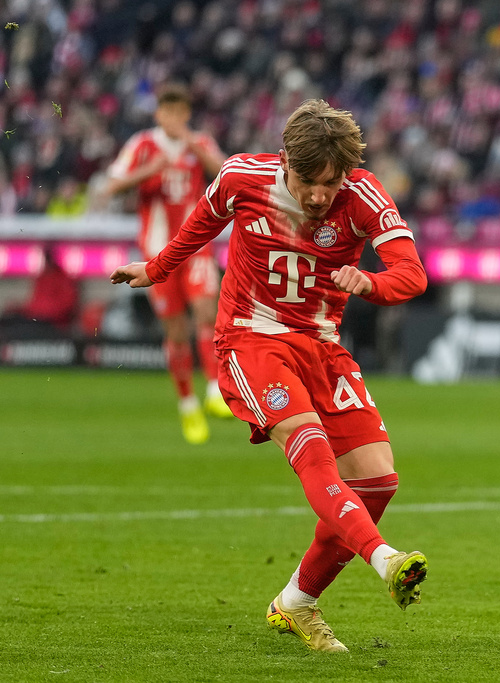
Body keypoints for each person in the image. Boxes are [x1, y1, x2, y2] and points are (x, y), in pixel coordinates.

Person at [110, 99, 429, 654]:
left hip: (323, 346)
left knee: (379, 480)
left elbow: (412, 274)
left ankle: (297, 603)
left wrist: (371, 284)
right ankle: (387, 559)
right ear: (285, 160)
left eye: (331, 183)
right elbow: (198, 228)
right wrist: (157, 269)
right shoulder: (241, 178)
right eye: (308, 181)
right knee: (311, 449)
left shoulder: (362, 194)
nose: (318, 195)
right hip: (251, 339)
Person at [103, 82, 231, 445]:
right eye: (167, 111)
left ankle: (214, 391)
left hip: (196, 247)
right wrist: (150, 170)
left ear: (186, 114)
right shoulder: (142, 145)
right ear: (158, 113)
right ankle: (188, 404)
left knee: (207, 310)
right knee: (176, 331)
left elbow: (227, 175)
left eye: (180, 111)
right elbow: (111, 186)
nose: (173, 117)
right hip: (157, 254)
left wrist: (192, 145)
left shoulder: (199, 142)